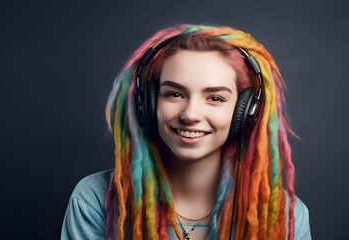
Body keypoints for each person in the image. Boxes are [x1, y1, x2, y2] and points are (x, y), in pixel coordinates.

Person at [61, 24, 311, 240]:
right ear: (146, 103)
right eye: (174, 94)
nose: (190, 114)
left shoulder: (282, 214)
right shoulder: (95, 198)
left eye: (215, 98)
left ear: (246, 112)